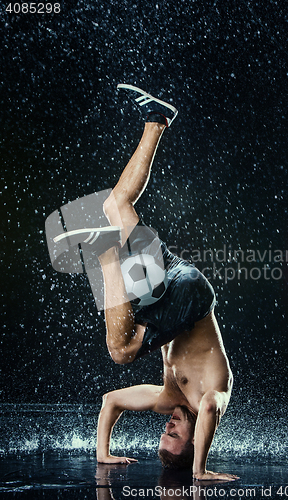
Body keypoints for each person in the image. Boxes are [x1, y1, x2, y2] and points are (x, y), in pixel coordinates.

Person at [53, 84, 237, 481]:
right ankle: (105, 255)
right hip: (191, 296)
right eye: (175, 433)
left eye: (163, 432)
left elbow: (111, 401)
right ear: (194, 440)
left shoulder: (165, 397)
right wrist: (200, 470)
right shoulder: (213, 396)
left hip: (172, 280)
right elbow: (207, 412)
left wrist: (104, 455)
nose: (168, 426)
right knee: (122, 351)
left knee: (115, 205)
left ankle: (156, 121)